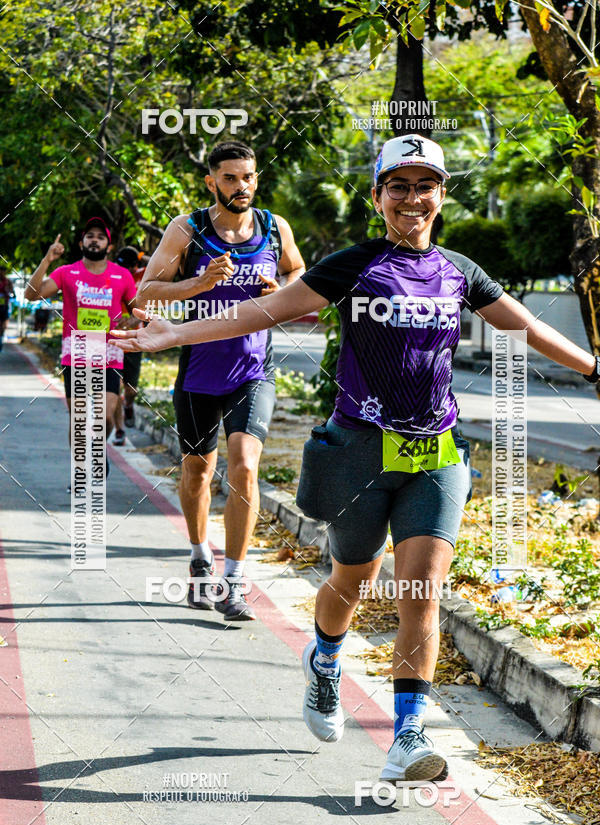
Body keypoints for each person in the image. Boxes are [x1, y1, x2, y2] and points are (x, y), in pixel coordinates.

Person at [110, 134, 600, 781]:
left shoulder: (459, 270)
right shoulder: (355, 265)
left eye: (425, 185)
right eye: (398, 186)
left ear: (441, 196)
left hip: (435, 456)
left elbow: (525, 328)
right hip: (359, 457)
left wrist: (595, 368)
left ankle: (407, 736)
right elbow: (265, 308)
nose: (412, 198)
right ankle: (326, 657)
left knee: (420, 593)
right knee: (350, 583)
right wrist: (178, 331)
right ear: (377, 197)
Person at [131, 141, 305, 621]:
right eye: (230, 178)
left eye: (248, 177)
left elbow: (297, 270)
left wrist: (283, 289)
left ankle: (234, 581)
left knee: (245, 466)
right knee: (198, 473)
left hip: (255, 370)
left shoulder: (274, 227)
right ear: (211, 182)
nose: (241, 186)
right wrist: (198, 284)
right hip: (199, 373)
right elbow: (146, 292)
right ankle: (198, 555)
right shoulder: (187, 230)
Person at [25, 218, 139, 479]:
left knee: (106, 416)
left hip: (109, 353)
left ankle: (97, 449)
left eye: (100, 236)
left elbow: (137, 312)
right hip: (75, 353)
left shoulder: (122, 276)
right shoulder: (66, 272)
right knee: (78, 420)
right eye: (90, 236)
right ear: (81, 243)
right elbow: (32, 295)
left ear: (109, 246)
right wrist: (47, 260)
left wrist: (132, 321)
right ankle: (79, 472)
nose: (94, 240)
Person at [112, 246, 148, 445]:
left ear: (136, 265)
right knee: (115, 385)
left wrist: (142, 257)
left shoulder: (144, 275)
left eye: (129, 267)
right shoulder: (114, 276)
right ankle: (120, 428)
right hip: (115, 337)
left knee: (131, 387)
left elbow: (163, 262)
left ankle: (129, 405)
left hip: (136, 337)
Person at [0, 266, 15, 351]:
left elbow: (13, 292)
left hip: (5, 306)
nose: (1, 273)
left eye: (3, 271)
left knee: (4, 325)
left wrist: (8, 292)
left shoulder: (8, 282)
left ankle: (1, 337)